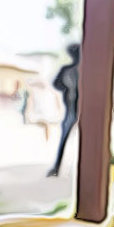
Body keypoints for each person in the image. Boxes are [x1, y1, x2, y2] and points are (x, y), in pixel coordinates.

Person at [48, 43, 80, 177]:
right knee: (65, 136)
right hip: (72, 108)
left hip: (74, 108)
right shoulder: (71, 69)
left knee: (66, 136)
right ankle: (56, 167)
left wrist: (67, 89)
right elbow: (56, 84)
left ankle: (57, 167)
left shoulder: (69, 69)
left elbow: (57, 84)